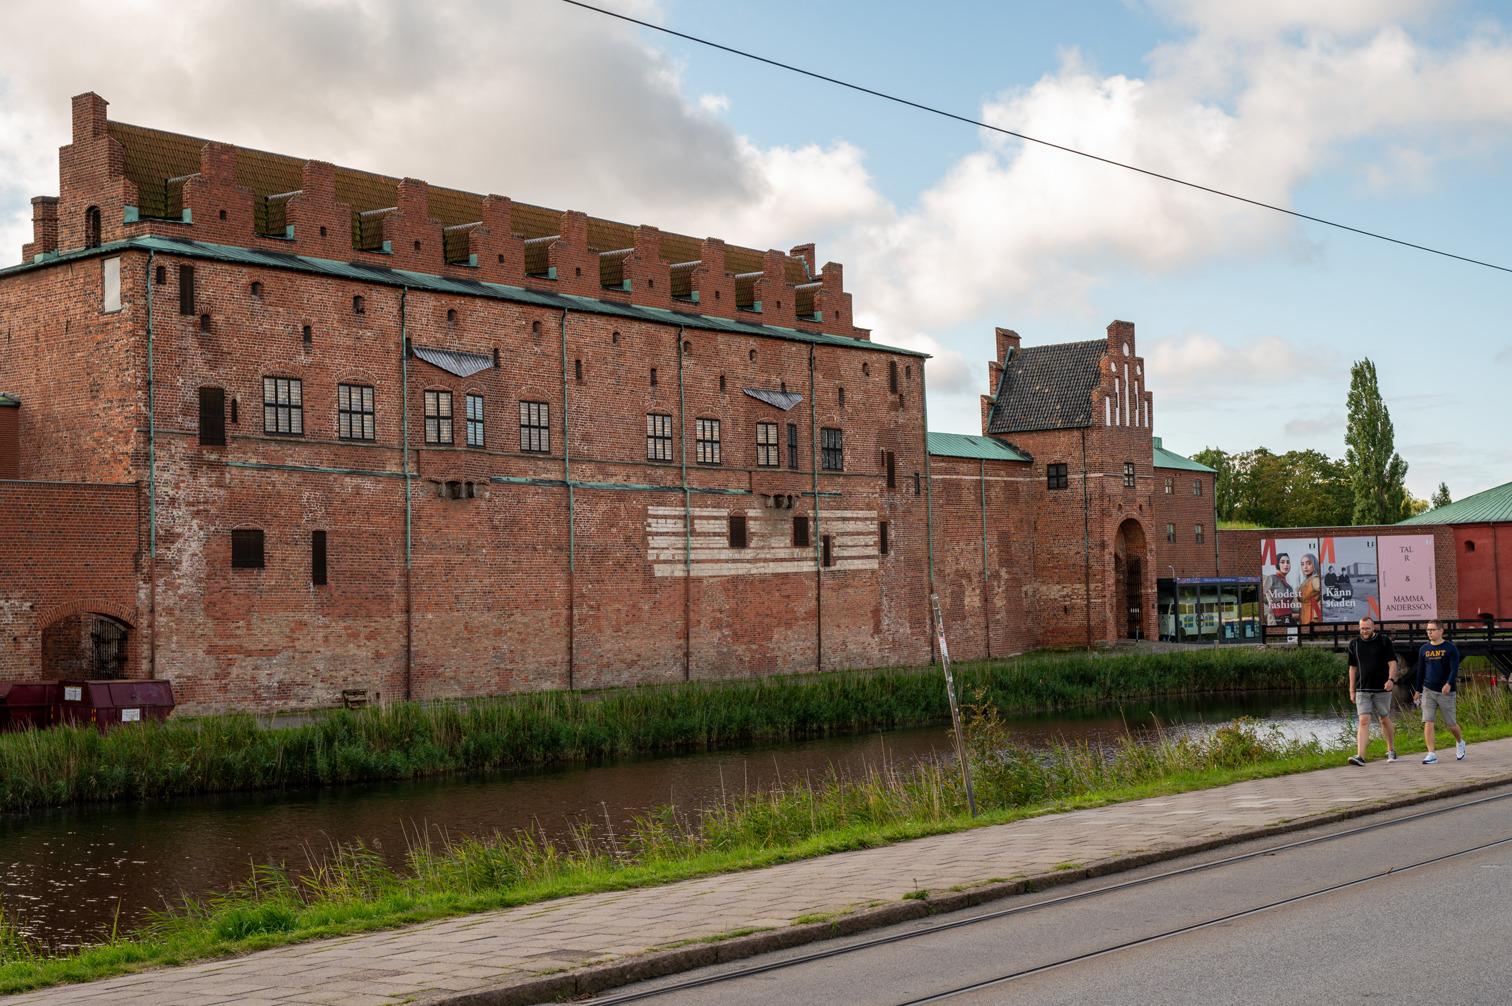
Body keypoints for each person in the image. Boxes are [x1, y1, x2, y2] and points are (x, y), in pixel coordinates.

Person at [1347, 616, 1397, 765]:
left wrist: (1391, 680)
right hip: (1363, 689)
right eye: (1362, 628)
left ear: (1373, 627)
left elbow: (1393, 663)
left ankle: (1391, 749)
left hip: (1382, 688)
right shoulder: (1354, 644)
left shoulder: (1384, 641)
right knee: (1363, 720)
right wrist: (1352, 690)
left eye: (1367, 628)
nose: (1365, 631)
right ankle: (1360, 756)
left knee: (1384, 718)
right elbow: (1352, 668)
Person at [1414, 620, 1465, 763]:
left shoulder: (1450, 648)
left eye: (1432, 629)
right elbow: (1421, 671)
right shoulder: (1424, 649)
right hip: (1428, 690)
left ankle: (1460, 742)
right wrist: (1417, 691)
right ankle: (1431, 754)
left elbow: (1454, 669)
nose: (1429, 632)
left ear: (1441, 630)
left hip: (1446, 691)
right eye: (1427, 630)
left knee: (1451, 724)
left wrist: (1449, 683)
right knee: (1428, 721)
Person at [1263, 553, 1296, 626]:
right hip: (1278, 618)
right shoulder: (1272, 578)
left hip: (1289, 617)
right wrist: (1269, 610)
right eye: (1282, 562)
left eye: (1288, 562)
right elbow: (1260, 596)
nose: (1286, 565)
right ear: (1277, 564)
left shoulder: (1289, 586)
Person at [1298, 553, 1322, 625]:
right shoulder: (1305, 581)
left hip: (1312, 617)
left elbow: (1325, 593)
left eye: (1308, 563)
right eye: (1302, 564)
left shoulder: (1315, 579)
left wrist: (1317, 610)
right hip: (1304, 615)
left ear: (1314, 564)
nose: (1305, 567)